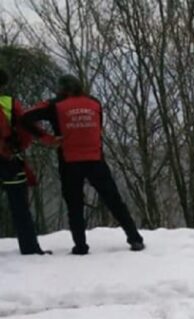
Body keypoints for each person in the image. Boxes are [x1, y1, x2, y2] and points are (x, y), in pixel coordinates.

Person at [22, 74, 144, 255]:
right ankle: (135, 238)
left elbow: (25, 118)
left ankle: (80, 246)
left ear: (62, 89)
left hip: (69, 160)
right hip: (95, 159)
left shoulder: (54, 105)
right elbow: (99, 128)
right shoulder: (94, 102)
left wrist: (47, 138)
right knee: (114, 201)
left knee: (75, 205)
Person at [0, 68, 56, 255]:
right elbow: (25, 127)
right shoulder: (9, 103)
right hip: (9, 161)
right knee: (20, 208)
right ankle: (30, 248)